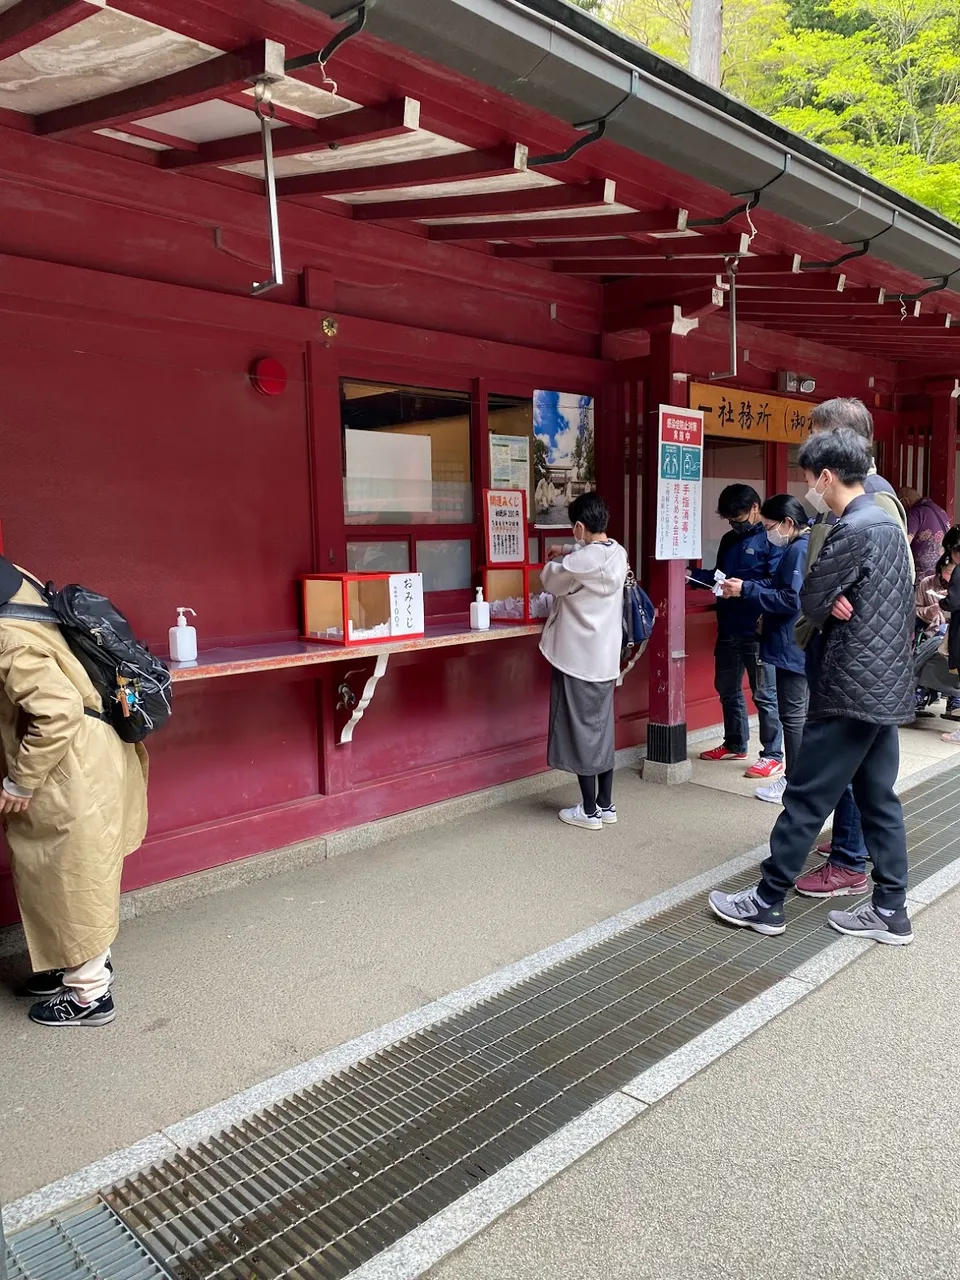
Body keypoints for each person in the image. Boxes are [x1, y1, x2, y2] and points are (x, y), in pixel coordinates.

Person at [709, 428, 916, 945]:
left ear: (826, 476)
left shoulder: (851, 529)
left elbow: (810, 597)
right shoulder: (888, 522)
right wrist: (833, 600)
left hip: (849, 685)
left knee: (804, 798)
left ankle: (766, 902)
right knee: (878, 800)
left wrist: (831, 600)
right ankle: (890, 909)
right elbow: (837, 598)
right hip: (885, 685)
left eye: (808, 478)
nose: (809, 489)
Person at [0, 557, 148, 1026]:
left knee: (71, 872)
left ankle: (88, 994)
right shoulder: (17, 584)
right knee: (62, 869)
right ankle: (69, 965)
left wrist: (21, 779)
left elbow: (56, 711)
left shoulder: (5, 636)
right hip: (90, 748)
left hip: (68, 761)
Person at [798, 398, 911, 891]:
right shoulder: (855, 498)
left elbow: (893, 578)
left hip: (855, 657)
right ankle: (856, 852)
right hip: (846, 648)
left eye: (817, 435)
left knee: (846, 765)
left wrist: (847, 600)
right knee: (863, 772)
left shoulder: (875, 501)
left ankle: (847, 858)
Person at [539, 493, 628, 830]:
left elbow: (551, 579)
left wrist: (558, 558)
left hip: (577, 658)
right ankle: (606, 804)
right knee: (601, 730)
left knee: (579, 732)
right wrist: (568, 549)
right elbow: (588, 556)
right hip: (605, 659)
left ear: (579, 526)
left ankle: (588, 812)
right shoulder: (617, 553)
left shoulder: (578, 565)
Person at [719, 495, 810, 805]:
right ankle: (795, 779)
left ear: (787, 523)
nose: (768, 532)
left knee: (793, 717)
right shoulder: (799, 546)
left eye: (769, 526)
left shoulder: (798, 549)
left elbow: (790, 599)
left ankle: (794, 783)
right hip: (789, 642)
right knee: (794, 715)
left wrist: (746, 589)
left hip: (791, 645)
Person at [692, 484, 784, 780]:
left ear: (756, 508)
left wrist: (744, 588)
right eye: (730, 518)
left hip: (756, 628)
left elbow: (777, 585)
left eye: (739, 516)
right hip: (728, 625)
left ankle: (772, 755)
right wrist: (692, 576)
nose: (735, 523)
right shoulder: (729, 539)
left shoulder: (773, 540)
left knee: (764, 694)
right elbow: (718, 576)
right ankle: (735, 742)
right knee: (726, 687)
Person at [913, 553, 959, 718]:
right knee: (932, 648)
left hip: (953, 633)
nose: (950, 576)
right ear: (940, 569)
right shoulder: (927, 584)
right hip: (931, 630)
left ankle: (955, 698)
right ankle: (921, 691)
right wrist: (928, 611)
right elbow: (915, 610)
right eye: (947, 571)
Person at [900, 486, 949, 580]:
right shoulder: (940, 510)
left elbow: (904, 544)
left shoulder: (914, 513)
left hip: (924, 575)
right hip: (944, 570)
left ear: (905, 501)